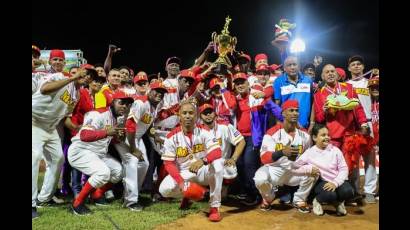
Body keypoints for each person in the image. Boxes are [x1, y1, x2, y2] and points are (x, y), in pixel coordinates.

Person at [32, 67, 94, 219]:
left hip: (50, 127)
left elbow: (65, 116)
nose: (86, 77)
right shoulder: (60, 76)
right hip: (34, 120)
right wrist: (72, 78)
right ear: (78, 72)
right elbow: (45, 89)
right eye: (85, 73)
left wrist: (76, 127)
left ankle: (44, 198)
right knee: (34, 157)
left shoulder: (77, 94)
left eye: (89, 77)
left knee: (58, 159)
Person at [68, 91, 133, 215]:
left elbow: (108, 137)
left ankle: (97, 195)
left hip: (98, 153)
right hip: (81, 151)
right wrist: (107, 132)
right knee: (103, 173)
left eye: (127, 104)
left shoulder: (117, 118)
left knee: (118, 172)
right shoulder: (98, 113)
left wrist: (117, 136)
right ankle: (77, 204)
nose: (124, 106)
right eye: (121, 102)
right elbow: (84, 135)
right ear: (113, 102)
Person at [313, 64, 369, 204]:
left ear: (337, 74)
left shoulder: (348, 88)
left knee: (352, 165)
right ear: (323, 76)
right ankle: (338, 194)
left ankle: (352, 193)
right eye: (327, 72)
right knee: (333, 166)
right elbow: (319, 118)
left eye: (332, 71)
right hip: (332, 136)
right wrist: (324, 111)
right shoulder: (319, 94)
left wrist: (363, 123)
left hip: (350, 133)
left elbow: (359, 107)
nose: (330, 74)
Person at [159, 101, 224, 222]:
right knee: (164, 190)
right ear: (179, 116)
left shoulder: (205, 131)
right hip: (185, 172)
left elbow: (217, 152)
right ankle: (188, 194)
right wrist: (181, 182)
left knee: (219, 164)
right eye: (184, 113)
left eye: (191, 113)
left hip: (203, 170)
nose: (188, 116)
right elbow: (168, 163)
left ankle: (214, 206)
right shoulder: (171, 137)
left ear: (196, 116)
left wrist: (203, 160)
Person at [114, 81, 168, 211]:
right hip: (124, 135)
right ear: (150, 90)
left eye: (162, 93)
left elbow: (147, 126)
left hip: (135, 137)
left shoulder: (154, 106)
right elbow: (130, 125)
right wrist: (133, 148)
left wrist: (155, 136)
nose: (159, 94)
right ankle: (130, 202)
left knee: (144, 165)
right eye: (157, 91)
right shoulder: (141, 103)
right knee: (132, 163)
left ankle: (132, 194)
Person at [253, 100, 315, 213]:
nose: (295, 113)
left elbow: (309, 156)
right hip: (276, 170)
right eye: (291, 110)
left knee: (314, 172)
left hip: (295, 170)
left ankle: (300, 199)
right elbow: (264, 158)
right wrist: (281, 152)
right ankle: (268, 198)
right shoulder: (272, 133)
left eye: (297, 111)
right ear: (283, 113)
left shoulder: (305, 135)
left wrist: (307, 167)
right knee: (259, 178)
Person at [292, 124, 354, 216]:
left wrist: (335, 183)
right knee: (330, 195)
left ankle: (338, 203)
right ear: (314, 137)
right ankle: (317, 201)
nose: (327, 137)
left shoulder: (335, 150)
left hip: (336, 181)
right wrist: (308, 169)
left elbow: (344, 169)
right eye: (323, 135)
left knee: (348, 191)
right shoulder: (309, 153)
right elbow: (294, 167)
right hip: (322, 182)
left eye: (328, 135)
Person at [346, 55, 377, 204]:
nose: (356, 66)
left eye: (359, 64)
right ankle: (355, 190)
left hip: (369, 123)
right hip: (353, 126)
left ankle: (369, 190)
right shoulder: (345, 85)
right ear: (349, 68)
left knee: (370, 158)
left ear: (363, 67)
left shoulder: (370, 83)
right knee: (354, 159)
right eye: (353, 64)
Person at [199, 103, 246, 198]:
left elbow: (241, 141)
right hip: (204, 164)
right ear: (200, 116)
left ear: (215, 113)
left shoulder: (225, 126)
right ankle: (202, 190)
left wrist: (233, 158)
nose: (208, 115)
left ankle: (224, 187)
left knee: (230, 169)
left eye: (210, 112)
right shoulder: (197, 130)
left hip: (222, 164)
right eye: (205, 113)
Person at [273, 56, 314, 130]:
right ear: (284, 68)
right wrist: (278, 125)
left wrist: (312, 123)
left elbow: (313, 103)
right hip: (287, 127)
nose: (292, 67)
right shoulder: (278, 81)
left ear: (299, 66)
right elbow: (277, 106)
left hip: (305, 126)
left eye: (294, 64)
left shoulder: (308, 80)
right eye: (289, 65)